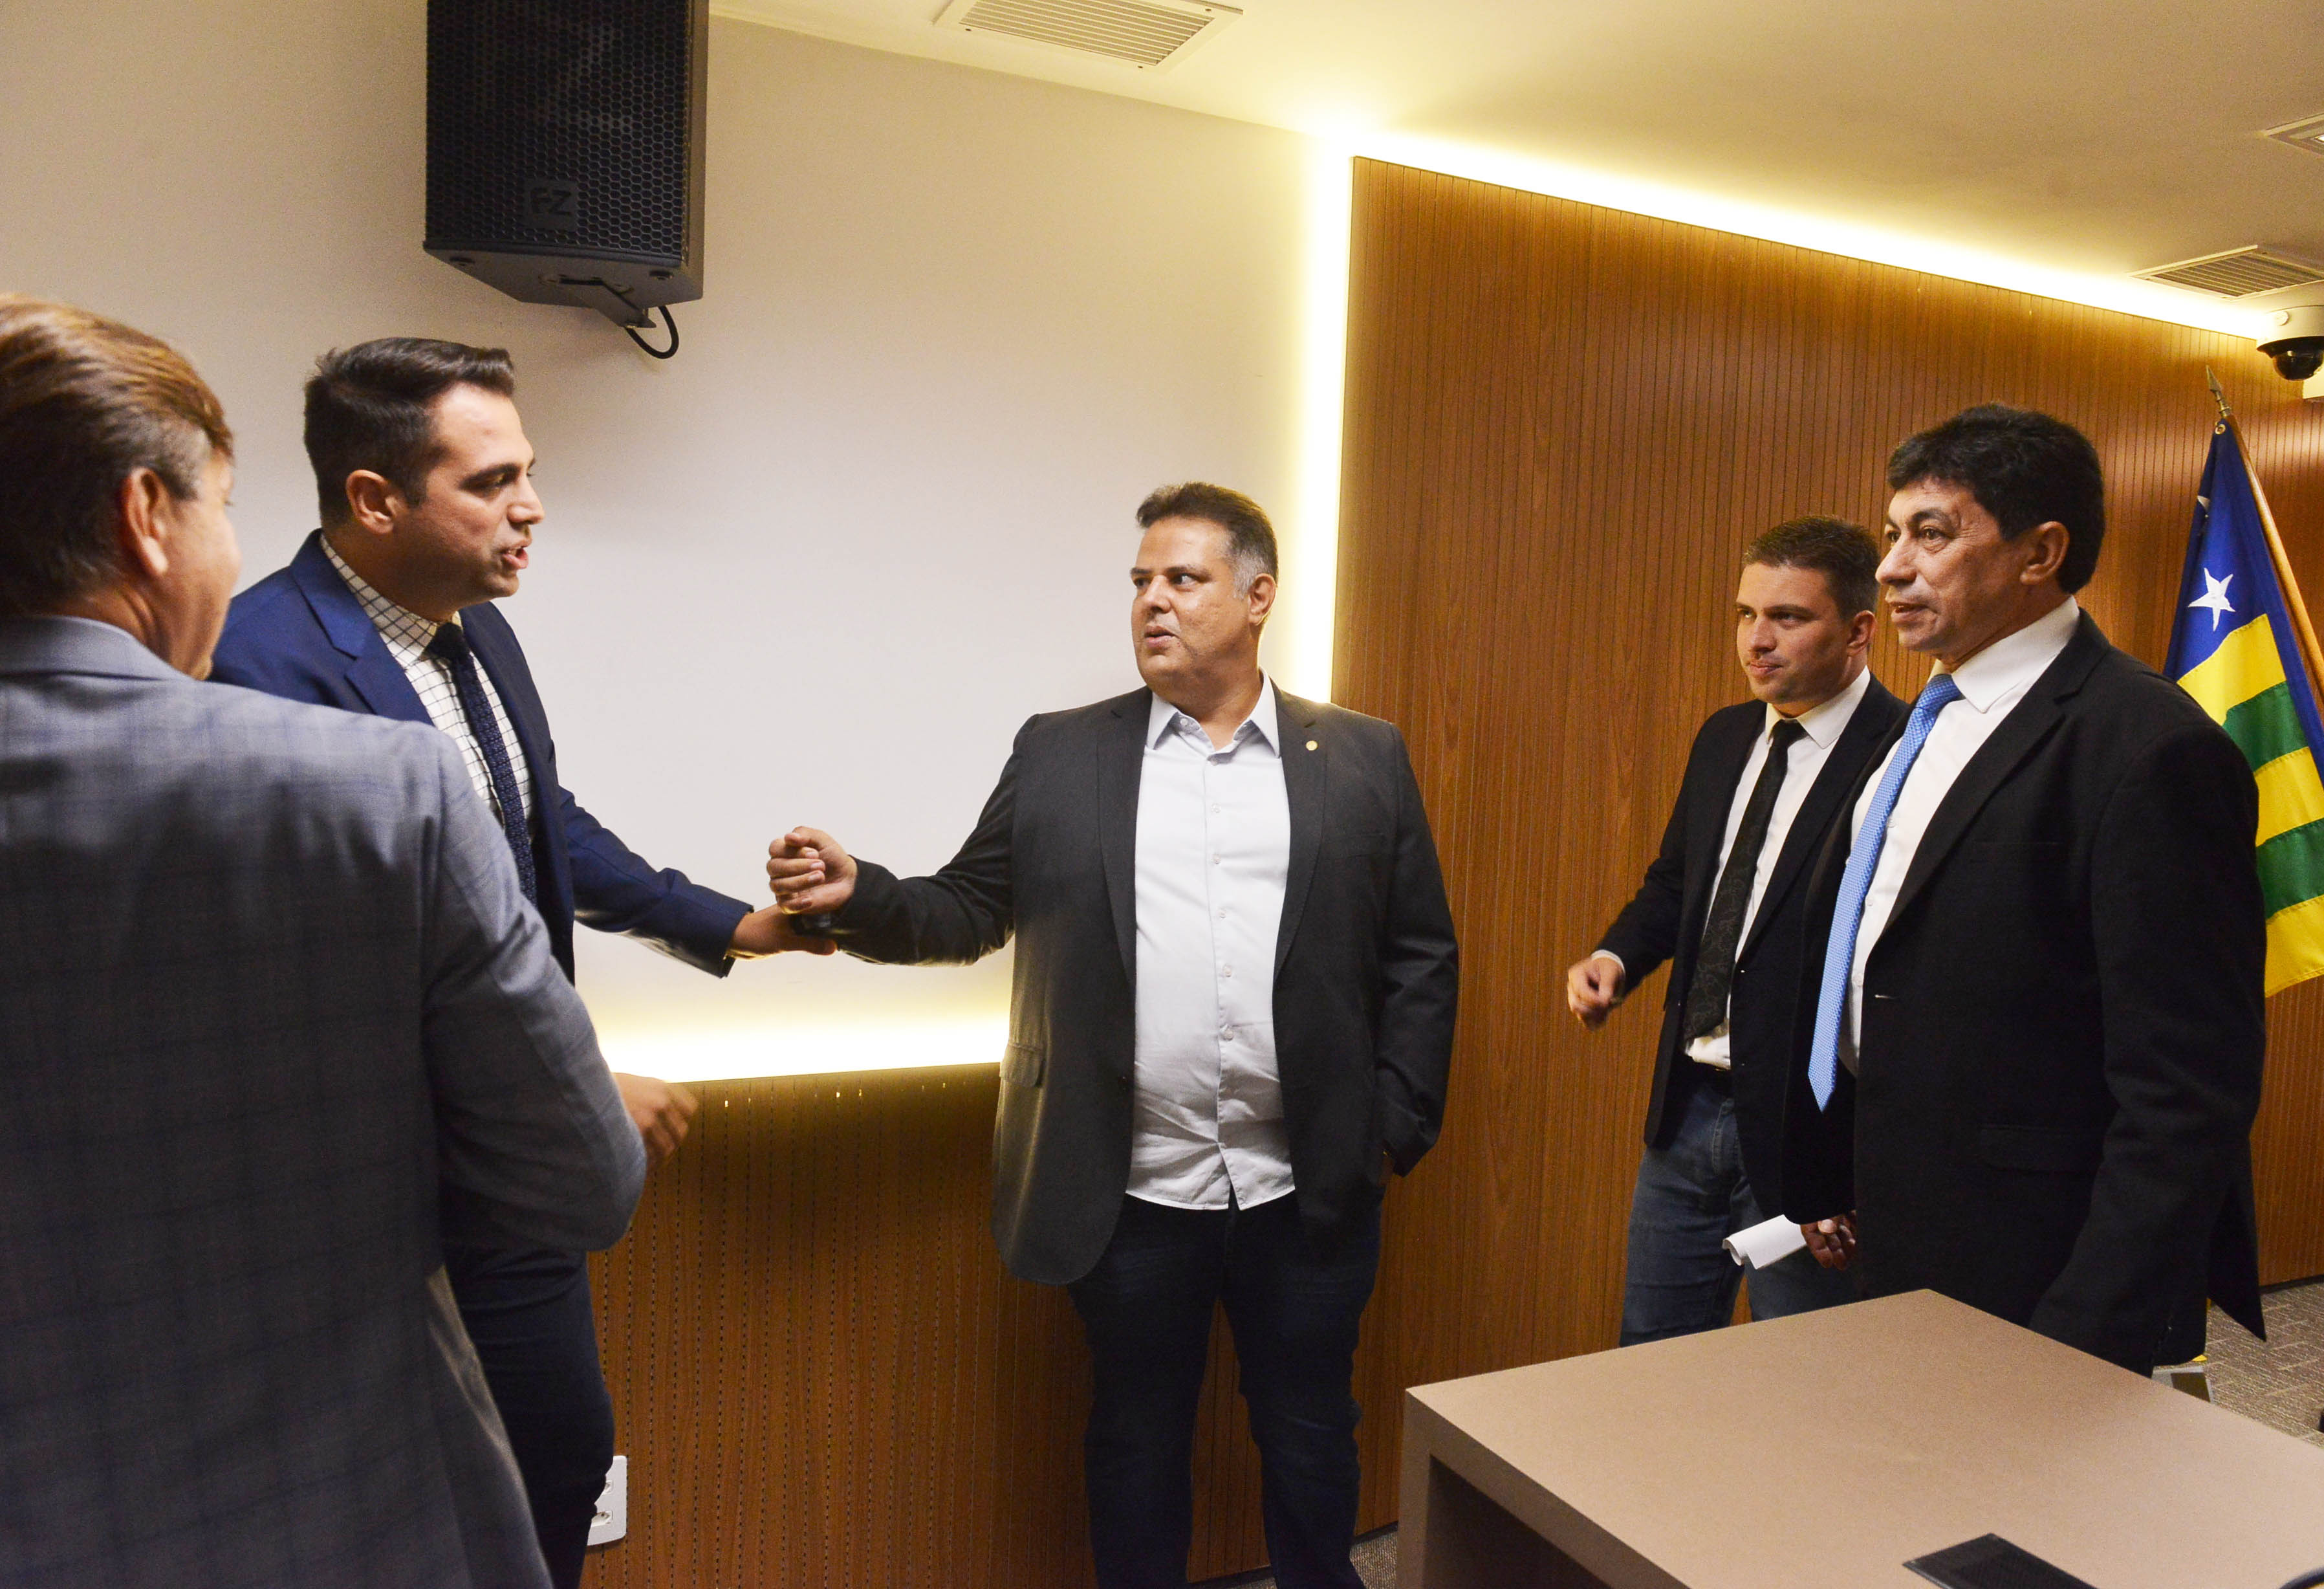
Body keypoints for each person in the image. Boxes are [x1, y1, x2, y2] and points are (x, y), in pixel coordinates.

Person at [0, 297, 645, 1588]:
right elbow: (582, 1179)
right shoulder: (377, 786)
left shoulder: (473, 657)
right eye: (223, 506)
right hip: (345, 1510)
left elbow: (552, 820)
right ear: (147, 516)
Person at [208, 338, 827, 1589]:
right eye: (492, 481)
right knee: (401, 1502)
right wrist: (570, 1088)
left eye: (527, 472)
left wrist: (727, 925)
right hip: (371, 1187)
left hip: (510, 1175)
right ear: (375, 499)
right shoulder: (254, 660)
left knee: (557, 1451)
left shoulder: (477, 633)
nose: (531, 506)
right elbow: (334, 960)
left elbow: (539, 819)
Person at [765, 483, 1458, 1589]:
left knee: (1312, 1435)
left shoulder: (1364, 757)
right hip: (1131, 1191)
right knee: (1136, 1441)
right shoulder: (1062, 753)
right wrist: (862, 897)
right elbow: (968, 908)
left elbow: (1419, 950)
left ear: (1258, 596)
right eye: (1140, 582)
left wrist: (1392, 1122)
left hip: (1307, 1186)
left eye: (1183, 578)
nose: (1151, 601)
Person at [1781, 404, 2265, 1373]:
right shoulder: (1922, 720)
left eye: (1931, 534)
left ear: (2040, 552)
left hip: (2039, 1275)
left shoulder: (2151, 749)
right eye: (1891, 534)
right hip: (1890, 1225)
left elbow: (2183, 1094)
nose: (1890, 567)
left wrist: (2086, 1331)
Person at [1568, 517, 1904, 1342]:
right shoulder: (1724, 736)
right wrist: (1616, 955)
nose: (1756, 640)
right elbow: (1677, 881)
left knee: (1800, 1377)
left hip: (1807, 1131)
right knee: (1653, 1360)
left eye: (1787, 617)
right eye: (1746, 614)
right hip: (1687, 1109)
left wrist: (1852, 1161)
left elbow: (1899, 973)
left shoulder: (1903, 755)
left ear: (1858, 630)